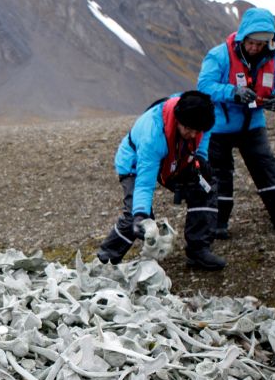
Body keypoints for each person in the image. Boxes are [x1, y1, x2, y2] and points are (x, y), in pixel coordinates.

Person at [96, 91, 226, 271]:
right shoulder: (153, 135)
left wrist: (200, 159)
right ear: (178, 119)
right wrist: (140, 213)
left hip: (177, 156)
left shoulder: (203, 115)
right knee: (137, 217)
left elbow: (202, 137)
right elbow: (144, 183)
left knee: (205, 188)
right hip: (135, 162)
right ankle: (105, 261)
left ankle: (198, 250)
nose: (192, 134)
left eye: (197, 130)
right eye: (188, 129)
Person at [197, 8, 275, 238]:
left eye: (259, 44)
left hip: (252, 123)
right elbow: (204, 85)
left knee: (265, 166)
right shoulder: (219, 55)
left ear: (268, 43)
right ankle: (218, 223)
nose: (254, 48)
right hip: (220, 126)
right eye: (250, 42)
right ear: (243, 37)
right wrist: (233, 92)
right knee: (219, 174)